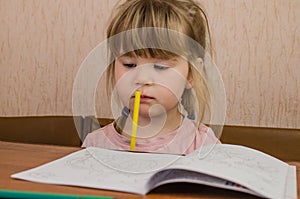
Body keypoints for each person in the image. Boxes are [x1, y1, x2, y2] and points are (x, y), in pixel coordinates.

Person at [82, 0, 221, 155]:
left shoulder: (203, 145)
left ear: (191, 74)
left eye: (161, 67)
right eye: (129, 64)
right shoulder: (94, 144)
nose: (142, 78)